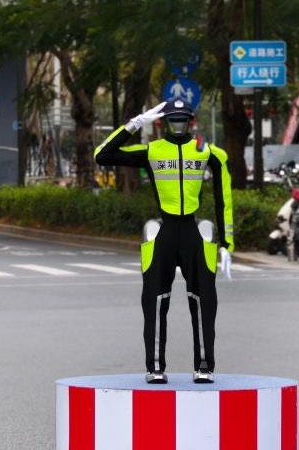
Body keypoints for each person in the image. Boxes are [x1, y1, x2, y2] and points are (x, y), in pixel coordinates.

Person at [94, 99, 234, 385]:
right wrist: (135, 123)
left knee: (204, 301)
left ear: (191, 122)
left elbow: (224, 198)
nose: (178, 125)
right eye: (173, 120)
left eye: (183, 120)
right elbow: (102, 155)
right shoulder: (152, 150)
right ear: (164, 122)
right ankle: (155, 367)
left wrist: (227, 243)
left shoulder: (209, 152)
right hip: (164, 232)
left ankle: (204, 366)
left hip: (194, 232)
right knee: (155, 301)